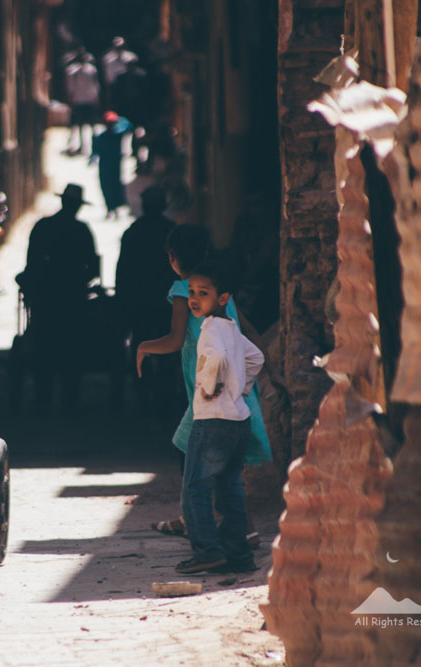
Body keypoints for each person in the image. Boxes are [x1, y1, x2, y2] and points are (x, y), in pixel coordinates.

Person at [137, 226, 271, 542]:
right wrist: (267, 371)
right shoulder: (217, 290)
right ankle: (236, 528)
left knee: (194, 457)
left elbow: (175, 339)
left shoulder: (185, 290)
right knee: (223, 466)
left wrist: (143, 347)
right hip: (232, 388)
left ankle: (204, 532)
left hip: (211, 391)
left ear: (171, 258)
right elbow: (250, 332)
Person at [173, 257, 263, 574]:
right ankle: (239, 556)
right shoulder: (231, 327)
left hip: (212, 421)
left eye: (203, 293)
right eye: (192, 292)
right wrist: (243, 388)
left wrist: (211, 387)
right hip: (238, 420)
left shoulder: (210, 330)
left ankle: (207, 550)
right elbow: (257, 356)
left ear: (223, 299)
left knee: (195, 487)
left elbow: (217, 358)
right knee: (229, 488)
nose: (195, 299)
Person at [17, 184, 99, 409]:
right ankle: (70, 399)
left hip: (46, 298)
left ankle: (43, 398)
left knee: (44, 345)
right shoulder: (82, 231)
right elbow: (92, 268)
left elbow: (31, 263)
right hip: (73, 299)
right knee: (72, 346)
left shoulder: (43, 227)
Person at [115, 186, 177, 411]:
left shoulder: (133, 231)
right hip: (166, 302)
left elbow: (123, 271)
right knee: (168, 347)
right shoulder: (172, 232)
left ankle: (143, 393)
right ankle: (164, 396)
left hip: (139, 301)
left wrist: (122, 301)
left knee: (140, 347)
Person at [90, 111, 133, 218]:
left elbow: (129, 127)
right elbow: (95, 151)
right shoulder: (102, 137)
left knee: (114, 186)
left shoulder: (117, 135)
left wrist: (119, 118)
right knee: (106, 186)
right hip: (105, 165)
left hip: (114, 165)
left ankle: (114, 208)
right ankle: (110, 208)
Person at [65, 52, 101, 156]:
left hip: (84, 100)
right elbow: (70, 87)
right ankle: (85, 145)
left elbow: (95, 85)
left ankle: (92, 145)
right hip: (80, 100)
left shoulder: (91, 70)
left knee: (89, 125)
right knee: (82, 125)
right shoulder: (73, 71)